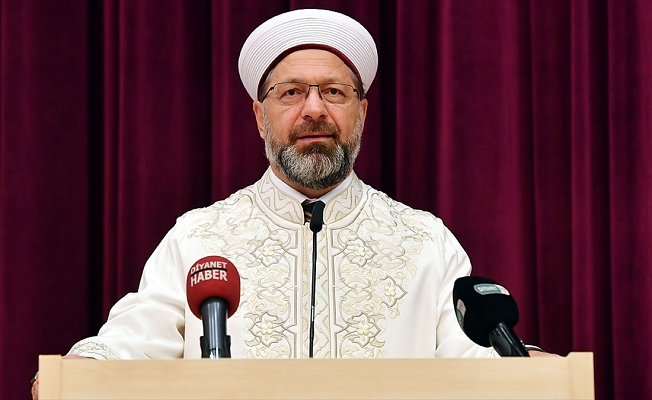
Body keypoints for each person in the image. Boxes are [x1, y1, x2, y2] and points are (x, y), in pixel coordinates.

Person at [32, 7, 552, 399]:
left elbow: (472, 362)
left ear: (362, 112)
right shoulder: (200, 237)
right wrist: (80, 371)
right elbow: (135, 340)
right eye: (291, 93)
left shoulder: (425, 242)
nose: (314, 110)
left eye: (334, 92)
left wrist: (529, 370)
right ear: (260, 117)